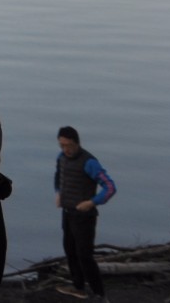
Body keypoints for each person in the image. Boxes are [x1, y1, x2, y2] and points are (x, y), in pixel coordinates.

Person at [53, 126, 115, 298]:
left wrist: (92, 202)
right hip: (67, 213)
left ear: (77, 143)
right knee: (70, 251)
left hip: (84, 217)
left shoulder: (89, 162)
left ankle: (99, 294)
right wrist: (58, 193)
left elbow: (110, 188)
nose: (66, 149)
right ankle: (78, 287)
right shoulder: (61, 158)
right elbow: (58, 176)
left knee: (85, 256)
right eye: (62, 145)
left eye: (69, 145)